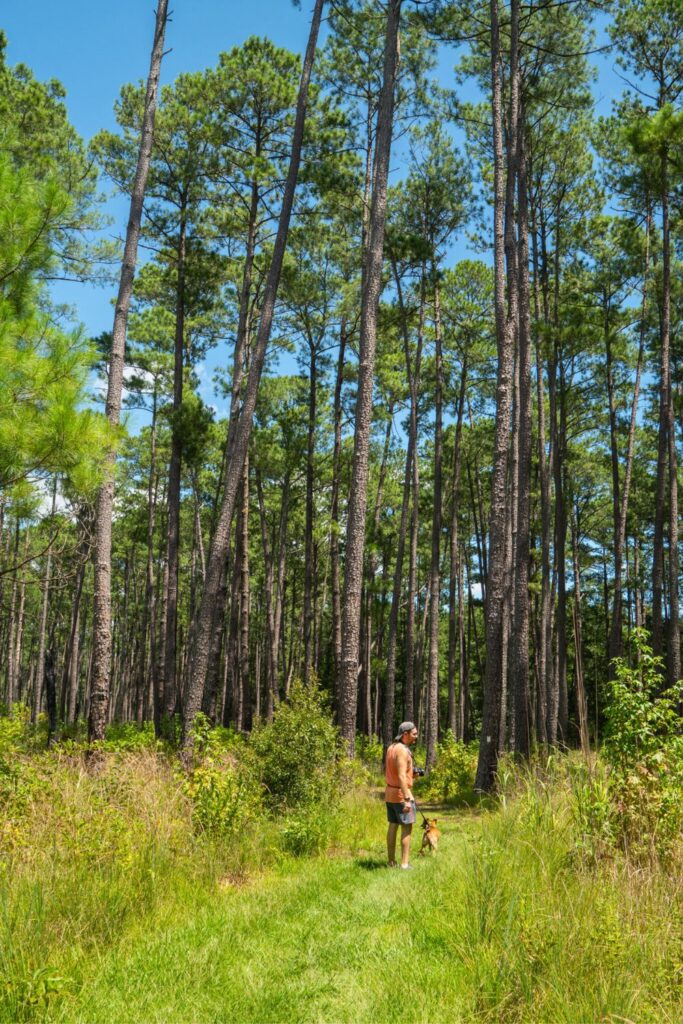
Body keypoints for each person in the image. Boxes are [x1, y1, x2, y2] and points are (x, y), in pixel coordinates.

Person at [385, 721, 418, 869]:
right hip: (400, 794)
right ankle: (404, 864)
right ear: (405, 734)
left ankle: (391, 862)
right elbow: (401, 776)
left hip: (389, 793)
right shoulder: (403, 751)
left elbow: (399, 772)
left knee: (393, 825)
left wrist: (413, 774)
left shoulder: (391, 748)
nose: (416, 737)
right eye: (414, 734)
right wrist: (406, 799)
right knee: (406, 827)